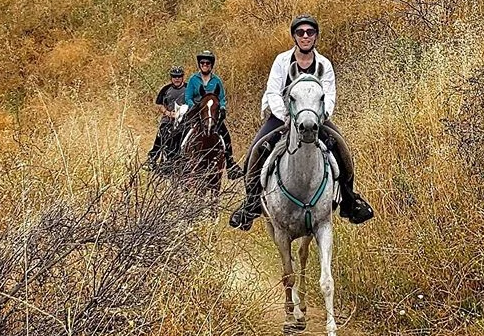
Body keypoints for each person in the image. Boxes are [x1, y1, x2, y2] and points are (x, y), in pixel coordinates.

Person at [229, 14, 374, 231]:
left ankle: (349, 199)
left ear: (316, 36)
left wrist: (320, 116)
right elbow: (273, 92)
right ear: (294, 37)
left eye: (310, 32)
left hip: (315, 119)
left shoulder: (324, 64)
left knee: (342, 147)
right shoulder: (281, 61)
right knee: (256, 149)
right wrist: (286, 116)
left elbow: (330, 95)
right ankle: (250, 204)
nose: (305, 36)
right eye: (300, 32)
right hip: (283, 118)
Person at [184, 50, 244, 180]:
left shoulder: (217, 81)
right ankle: (180, 159)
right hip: (197, 112)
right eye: (202, 63)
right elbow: (188, 97)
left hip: (212, 113)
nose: (205, 65)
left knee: (225, 135)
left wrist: (222, 107)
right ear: (199, 64)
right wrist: (193, 105)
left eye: (207, 63)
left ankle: (230, 164)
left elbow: (222, 98)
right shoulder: (193, 79)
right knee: (183, 132)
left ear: (211, 65)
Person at [147, 66, 186, 166]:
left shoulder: (188, 88)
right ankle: (153, 158)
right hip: (168, 119)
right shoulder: (165, 89)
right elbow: (159, 104)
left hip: (184, 120)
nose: (177, 79)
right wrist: (167, 113)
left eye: (179, 76)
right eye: (174, 76)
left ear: (182, 77)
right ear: (171, 77)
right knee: (161, 134)